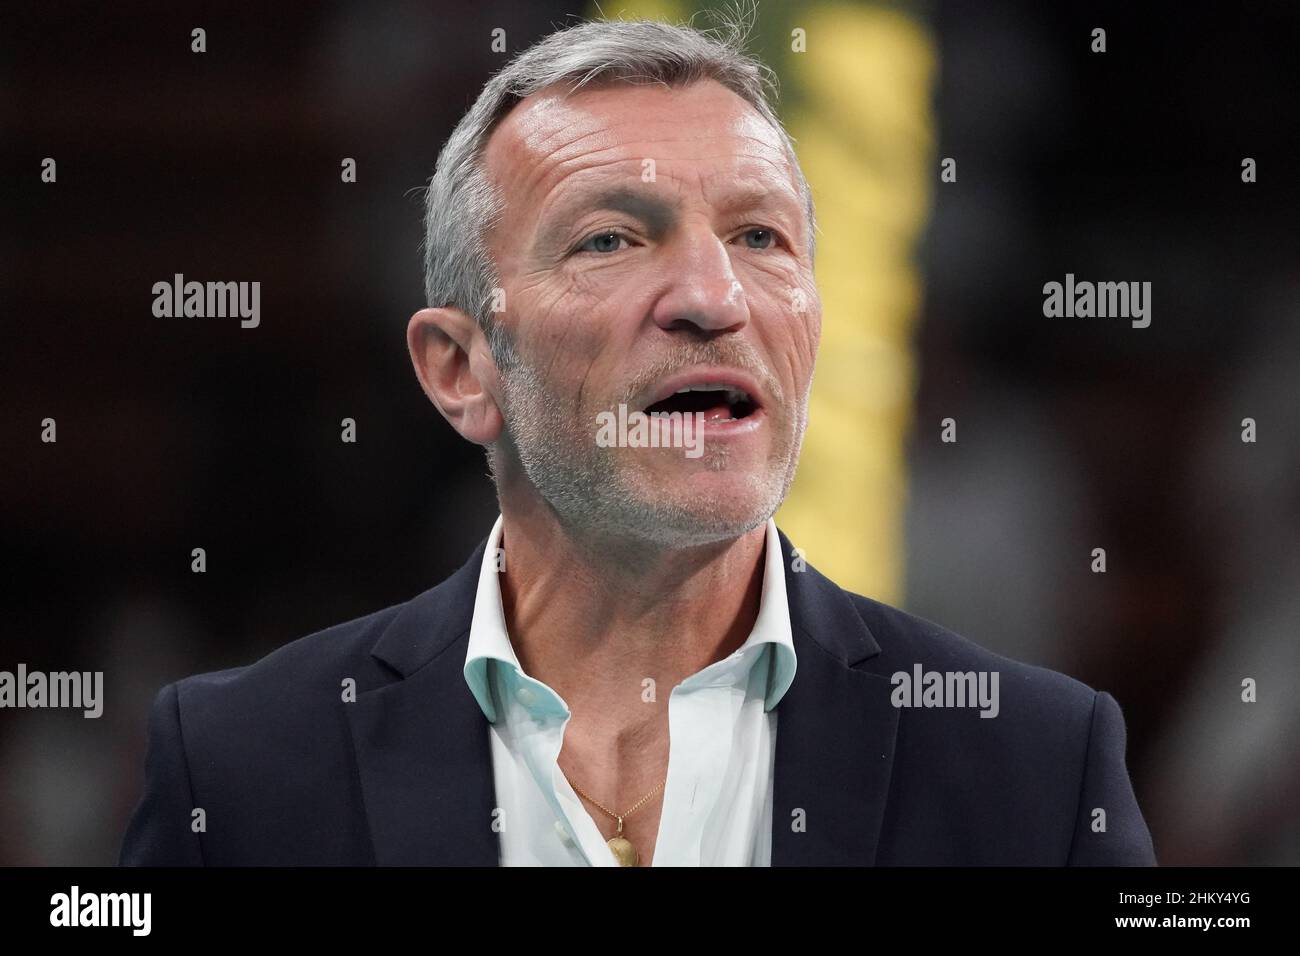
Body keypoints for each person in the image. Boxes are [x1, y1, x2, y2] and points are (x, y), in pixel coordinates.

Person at [120, 12, 1156, 867]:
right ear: (460, 368)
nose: (713, 297)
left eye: (759, 237)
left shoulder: (1034, 767)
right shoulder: (240, 769)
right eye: (609, 238)